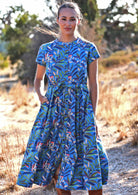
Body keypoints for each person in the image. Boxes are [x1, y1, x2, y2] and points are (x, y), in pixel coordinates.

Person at [16, 2, 108, 195]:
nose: (68, 23)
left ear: (78, 21)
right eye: (64, 19)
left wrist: (93, 114)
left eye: (72, 19)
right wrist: (40, 95)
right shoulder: (46, 49)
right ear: (58, 20)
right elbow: (39, 79)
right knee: (56, 164)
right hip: (53, 111)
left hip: (82, 110)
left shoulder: (88, 48)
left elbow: (94, 83)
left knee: (91, 162)